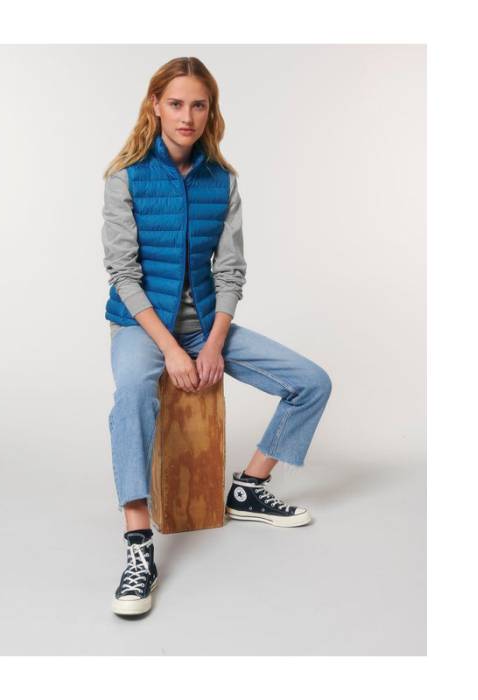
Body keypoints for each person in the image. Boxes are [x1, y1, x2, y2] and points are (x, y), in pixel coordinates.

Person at [102, 57, 333, 616]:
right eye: (176, 103)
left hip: (207, 325)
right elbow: (124, 275)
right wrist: (171, 349)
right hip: (141, 325)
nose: (187, 116)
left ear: (211, 112)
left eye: (198, 105)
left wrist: (209, 345)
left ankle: (249, 488)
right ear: (155, 106)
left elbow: (230, 271)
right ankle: (138, 544)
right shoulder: (125, 176)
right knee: (132, 394)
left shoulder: (222, 181)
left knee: (311, 382)